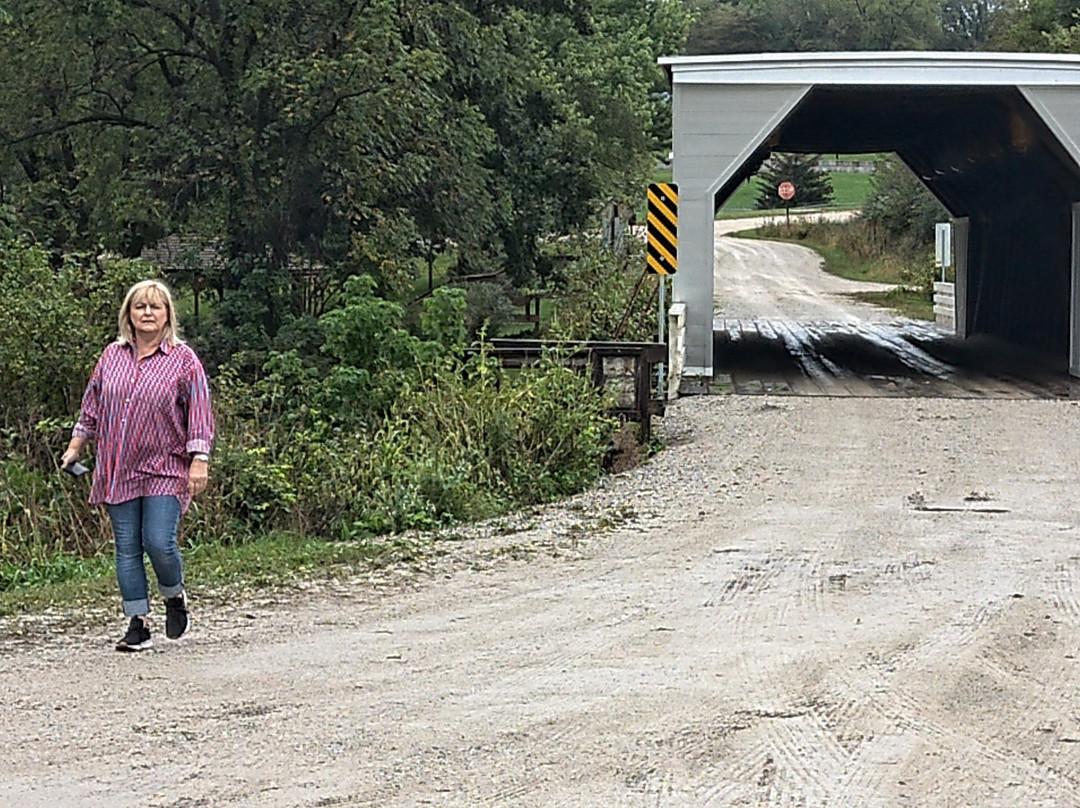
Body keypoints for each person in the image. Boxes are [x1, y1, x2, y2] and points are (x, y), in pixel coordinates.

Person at [61, 279, 214, 651]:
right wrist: (76, 445)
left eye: (155, 307)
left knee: (158, 542)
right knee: (127, 547)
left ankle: (174, 596)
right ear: (128, 314)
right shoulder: (112, 355)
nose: (147, 313)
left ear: (167, 315)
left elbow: (199, 412)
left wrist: (200, 459)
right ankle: (138, 623)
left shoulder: (183, 359)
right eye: (140, 306)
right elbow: (92, 404)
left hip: (166, 466)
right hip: (119, 467)